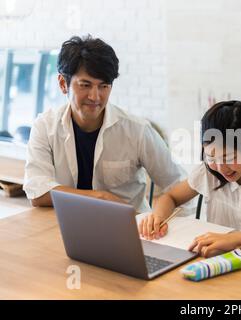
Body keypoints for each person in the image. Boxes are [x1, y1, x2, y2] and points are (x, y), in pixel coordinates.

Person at [23, 35, 184, 213]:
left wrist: (167, 225)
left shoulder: (137, 130)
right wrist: (101, 197)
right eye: (85, 85)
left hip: (127, 230)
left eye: (104, 86)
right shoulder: (45, 126)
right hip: (64, 225)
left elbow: (177, 185)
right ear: (63, 84)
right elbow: (37, 191)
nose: (95, 96)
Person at [139, 100, 241, 257]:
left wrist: (236, 239)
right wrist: (158, 217)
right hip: (219, 261)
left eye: (229, 158)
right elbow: (170, 197)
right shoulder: (207, 172)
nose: (220, 168)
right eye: (211, 158)